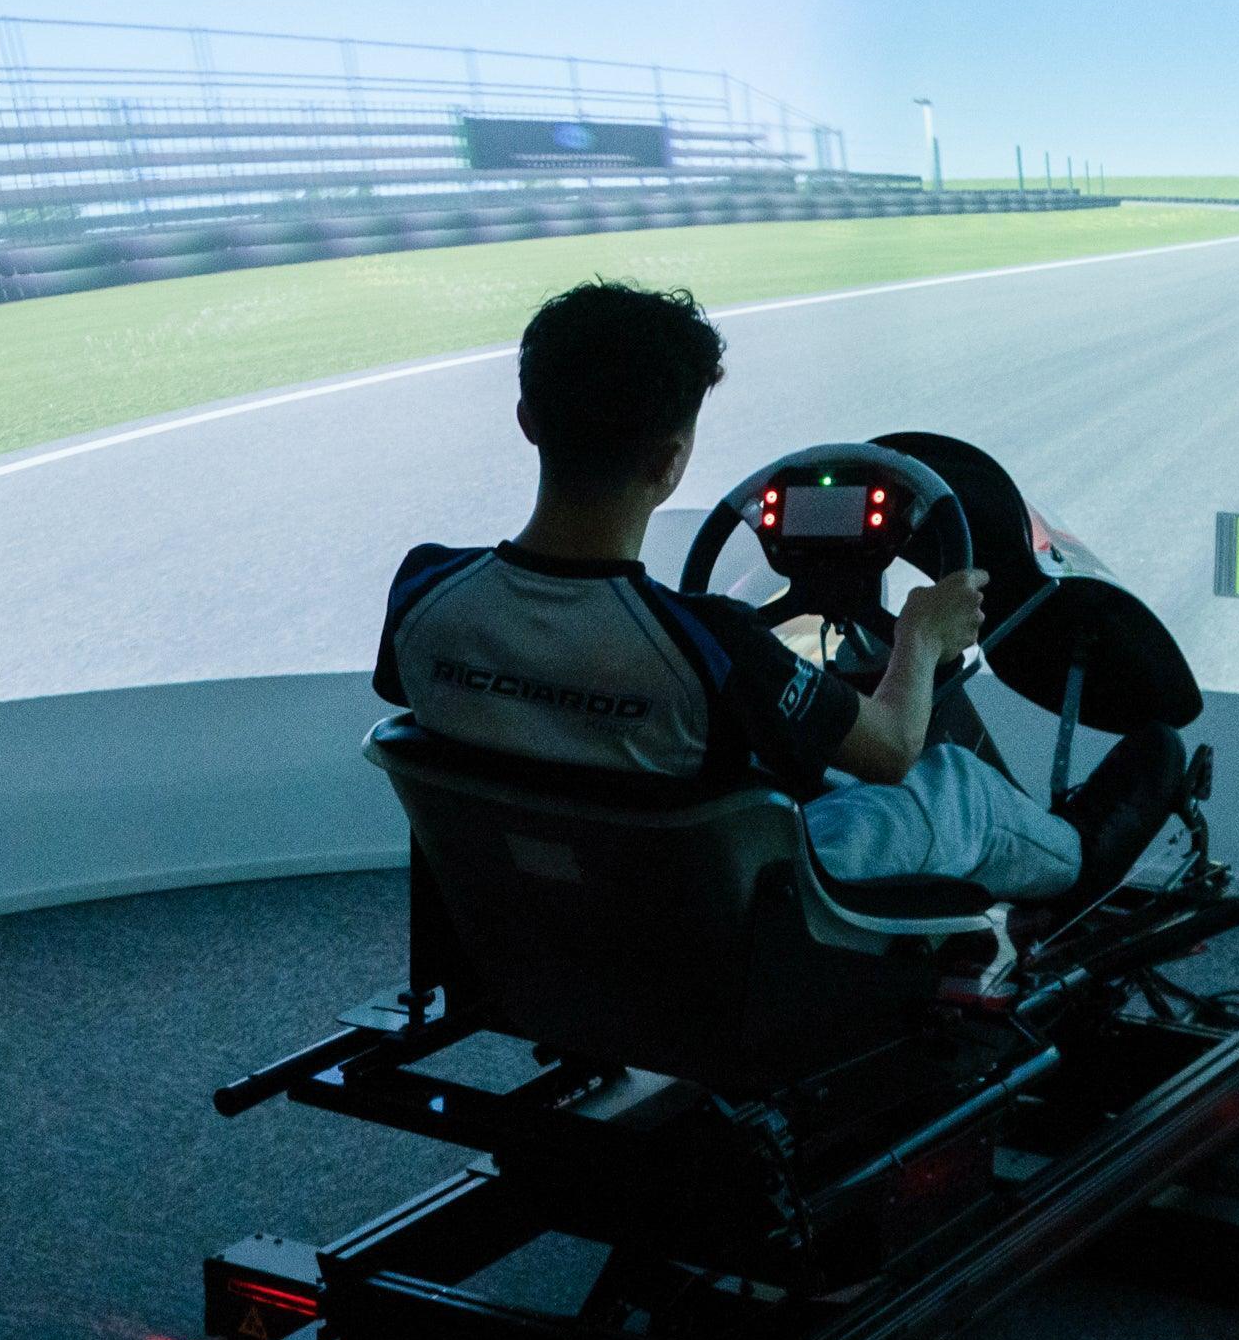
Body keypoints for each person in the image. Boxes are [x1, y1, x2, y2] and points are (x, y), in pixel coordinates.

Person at [373, 281, 1193, 905]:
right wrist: (921, 636)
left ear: (526, 419)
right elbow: (890, 749)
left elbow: (542, 700)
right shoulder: (710, 646)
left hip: (550, 904)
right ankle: (1073, 857)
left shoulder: (424, 593)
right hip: (729, 912)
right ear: (668, 462)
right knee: (947, 784)